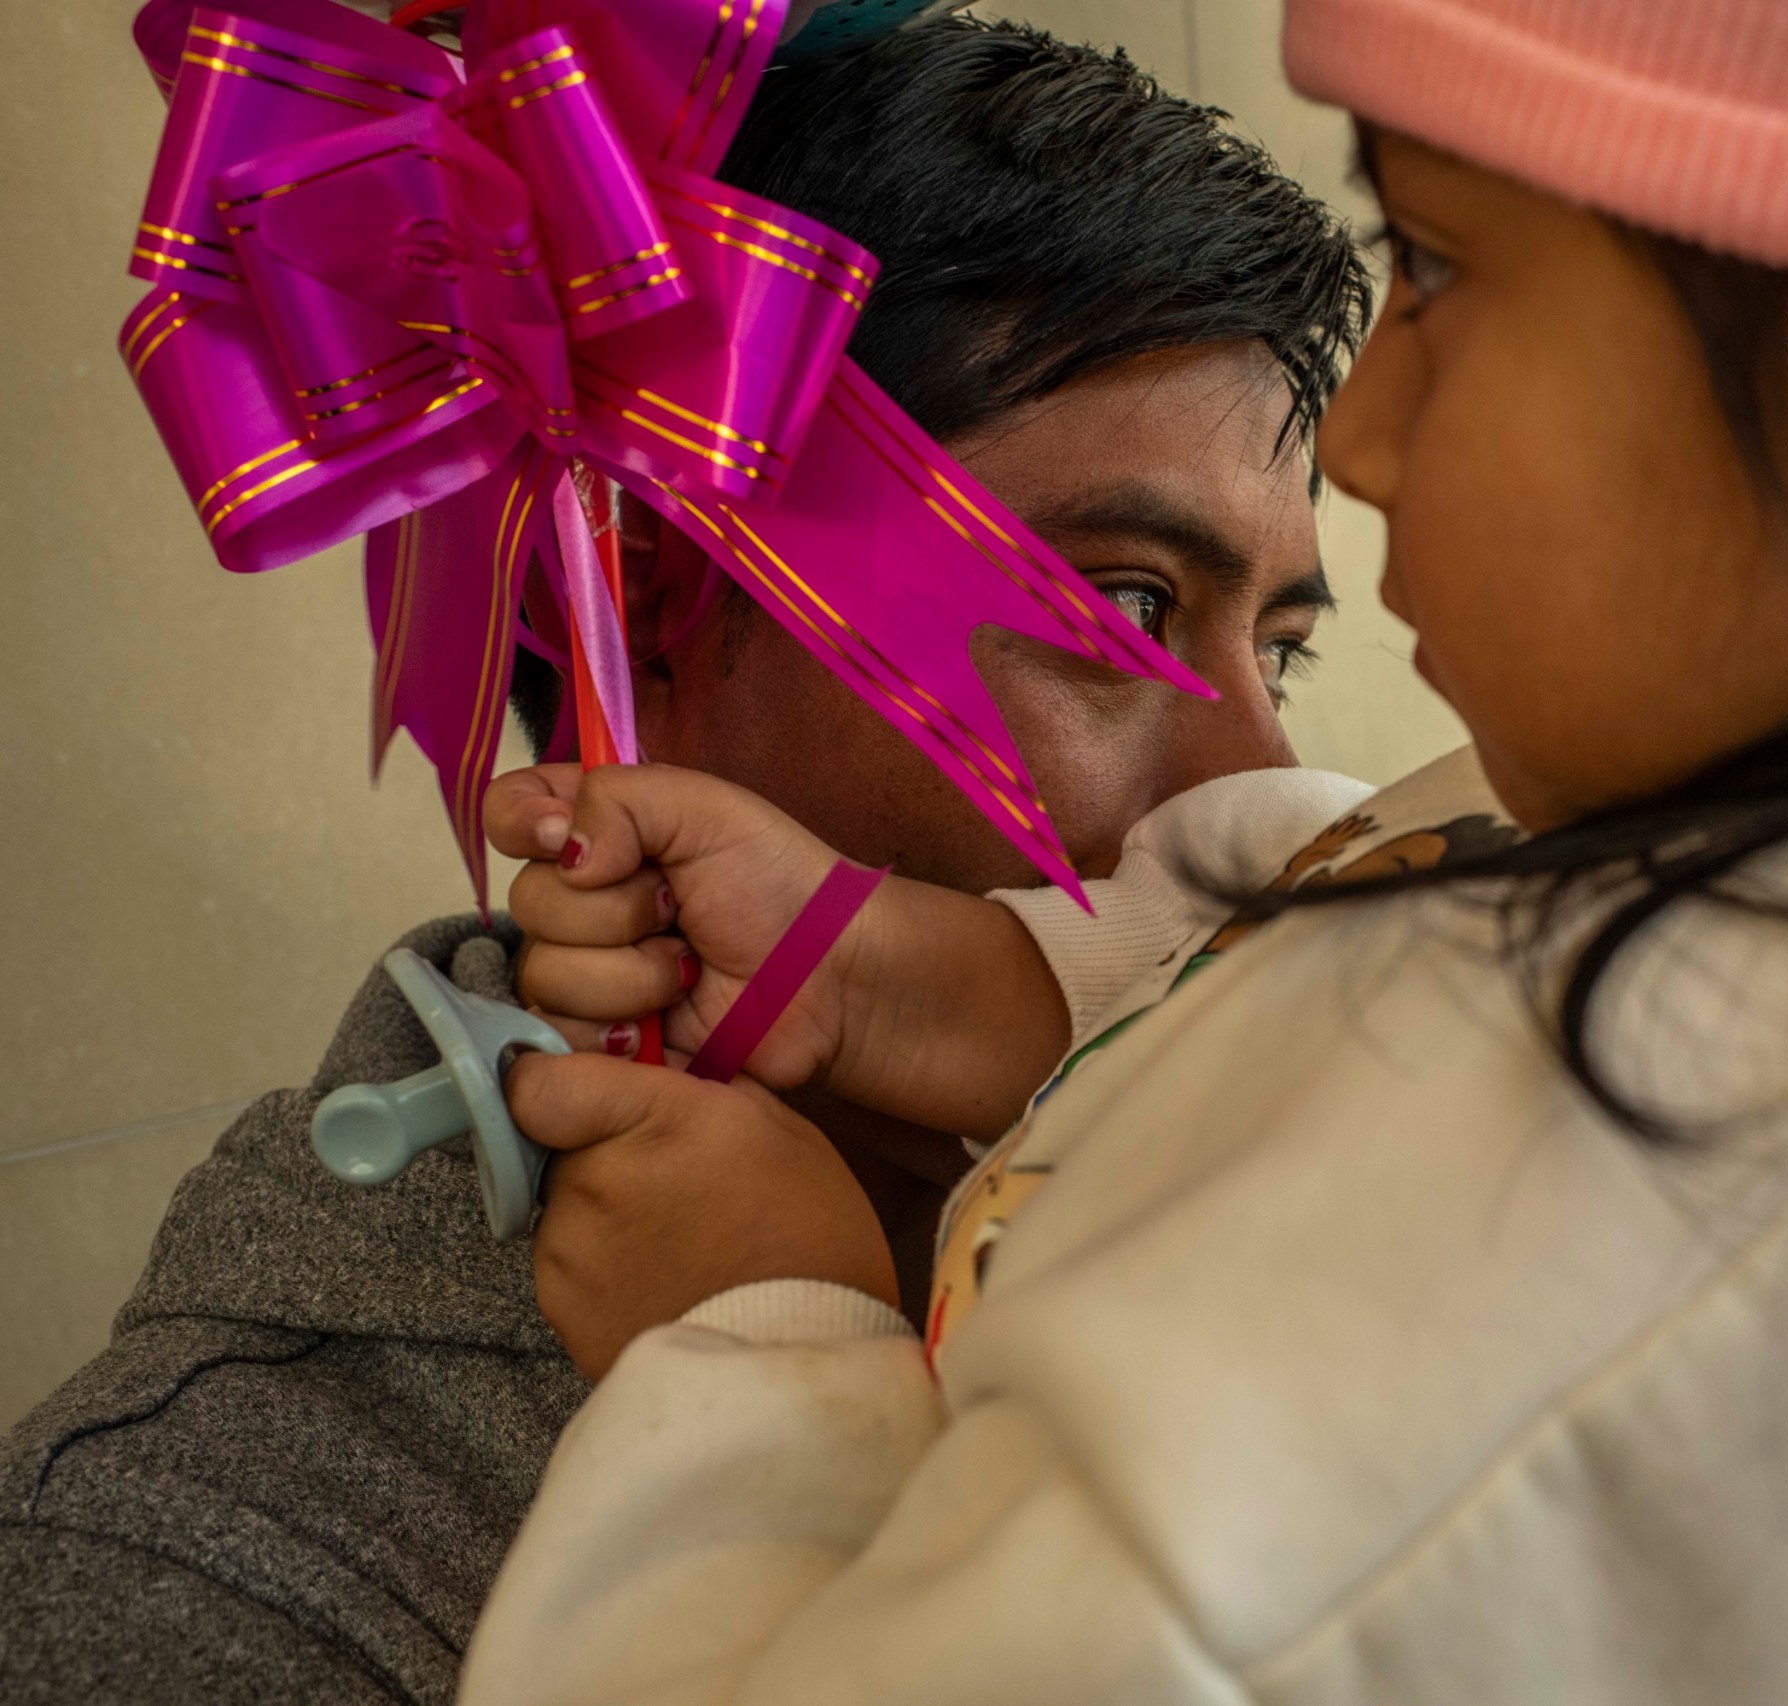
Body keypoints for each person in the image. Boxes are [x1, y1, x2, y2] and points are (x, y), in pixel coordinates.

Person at [453, 1, 1788, 1703]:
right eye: (1111, 612)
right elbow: (1298, 911)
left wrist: (759, 1353)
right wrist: (878, 969)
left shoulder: (1607, 1163)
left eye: (1445, 270)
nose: (1359, 436)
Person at [0, 20, 1372, 1704]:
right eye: (1125, 612)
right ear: (648, 604)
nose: (1262, 781)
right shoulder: (212, 1572)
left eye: (1279, 649)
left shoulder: (1348, 1155)